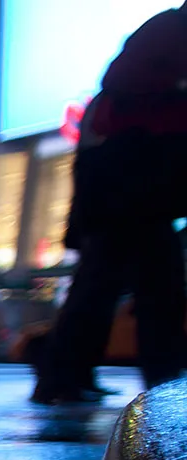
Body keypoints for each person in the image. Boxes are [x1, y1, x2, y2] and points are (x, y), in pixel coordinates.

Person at [32, 4, 187, 405]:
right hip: (130, 196)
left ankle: (69, 376)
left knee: (114, 290)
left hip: (126, 196)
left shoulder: (163, 36)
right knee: (146, 291)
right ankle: (159, 384)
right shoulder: (169, 37)